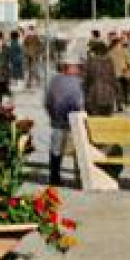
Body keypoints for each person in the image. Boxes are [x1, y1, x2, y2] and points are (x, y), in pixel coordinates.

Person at [44, 52, 86, 186]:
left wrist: (52, 115)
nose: (79, 69)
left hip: (58, 120)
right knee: (78, 148)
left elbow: (48, 101)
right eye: (77, 67)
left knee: (56, 148)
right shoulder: (79, 82)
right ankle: (78, 177)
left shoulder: (54, 80)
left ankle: (54, 176)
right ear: (69, 67)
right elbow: (81, 103)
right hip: (74, 121)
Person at [84, 42, 120, 117]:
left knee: (94, 119)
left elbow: (86, 78)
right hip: (108, 94)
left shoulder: (91, 61)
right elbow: (113, 78)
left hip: (94, 94)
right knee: (107, 119)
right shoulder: (110, 61)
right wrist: (117, 93)